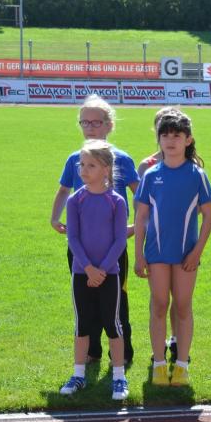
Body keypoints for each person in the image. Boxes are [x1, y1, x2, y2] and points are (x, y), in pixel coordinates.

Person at [50, 95, 138, 364]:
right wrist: (54, 218)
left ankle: (121, 353)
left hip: (113, 247)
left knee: (116, 299)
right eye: (84, 122)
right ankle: (92, 351)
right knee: (86, 297)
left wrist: (136, 226)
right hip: (81, 248)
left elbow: (141, 196)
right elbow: (64, 190)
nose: (90, 128)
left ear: (109, 125)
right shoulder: (75, 160)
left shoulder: (122, 159)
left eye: (96, 122)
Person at [134, 111, 211, 387]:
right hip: (156, 254)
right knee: (159, 305)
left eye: (177, 136)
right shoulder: (150, 175)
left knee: (182, 306)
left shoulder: (197, 175)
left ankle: (181, 365)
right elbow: (141, 217)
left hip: (185, 256)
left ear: (188, 140)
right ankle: (159, 364)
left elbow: (209, 216)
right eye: (165, 135)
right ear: (158, 139)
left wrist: (197, 252)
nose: (170, 140)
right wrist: (138, 254)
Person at [60, 140, 129, 400]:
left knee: (113, 323)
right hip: (82, 274)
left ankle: (119, 377)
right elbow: (73, 238)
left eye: (91, 165)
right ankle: (78, 375)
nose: (84, 170)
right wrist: (88, 268)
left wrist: (102, 270)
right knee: (82, 324)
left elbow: (119, 240)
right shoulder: (75, 200)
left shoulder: (116, 202)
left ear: (106, 169)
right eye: (82, 165)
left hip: (109, 274)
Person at [136, 106, 185, 363]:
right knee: (159, 299)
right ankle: (159, 349)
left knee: (180, 298)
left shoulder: (191, 164)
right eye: (162, 129)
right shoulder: (147, 166)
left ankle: (176, 340)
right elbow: (141, 209)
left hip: (181, 242)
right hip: (156, 243)